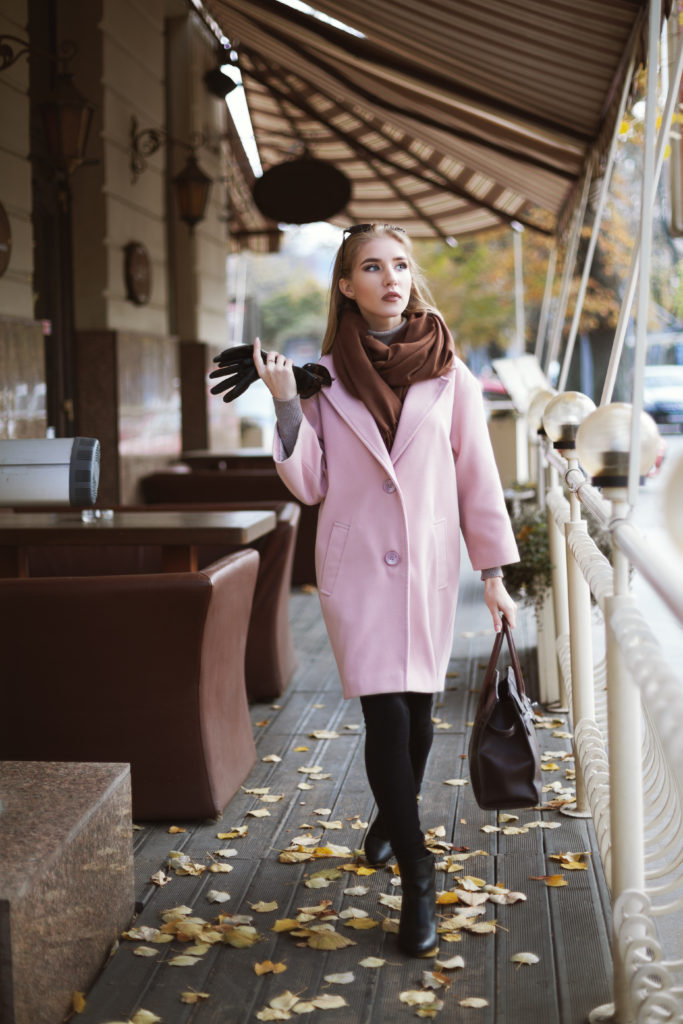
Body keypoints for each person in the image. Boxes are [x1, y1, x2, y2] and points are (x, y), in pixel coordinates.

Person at [252, 223, 519, 958]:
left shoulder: (451, 375)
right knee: (386, 717)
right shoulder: (319, 379)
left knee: (421, 716)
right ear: (346, 284)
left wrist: (493, 575)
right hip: (358, 569)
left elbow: (477, 481)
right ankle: (417, 870)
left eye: (399, 264)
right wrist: (282, 404)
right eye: (371, 266)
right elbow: (308, 484)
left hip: (431, 568)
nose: (389, 277)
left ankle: (386, 820)